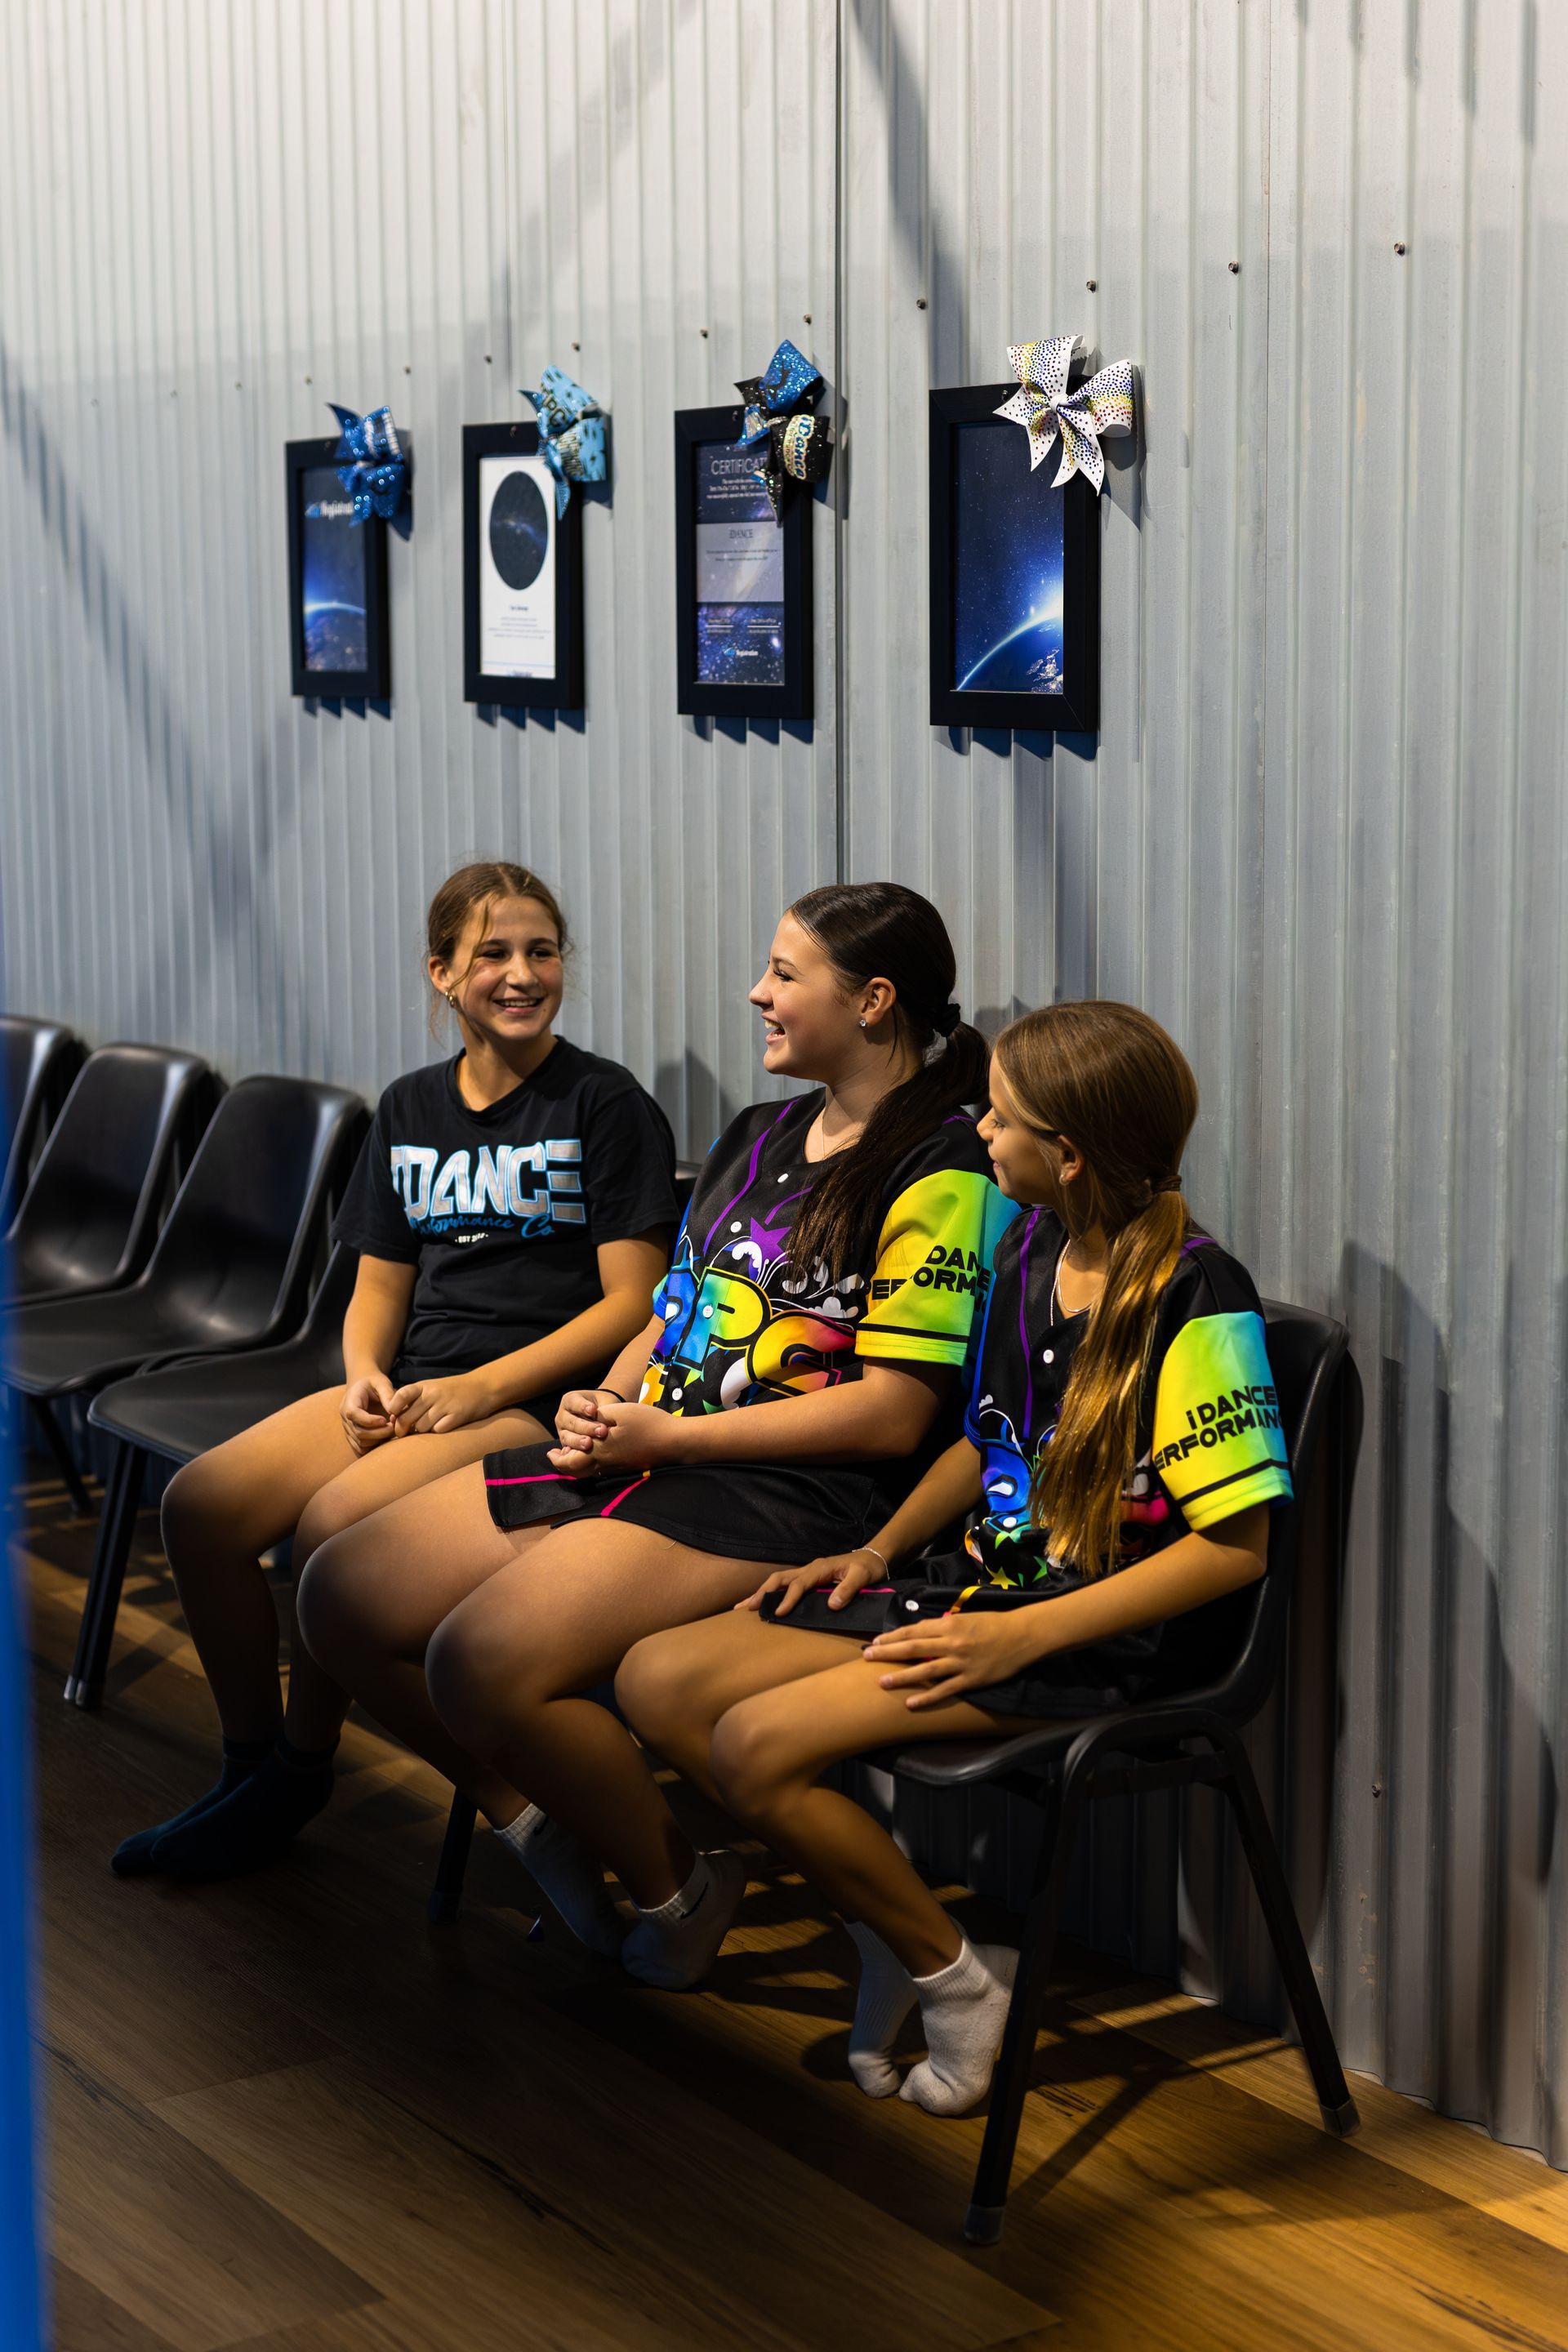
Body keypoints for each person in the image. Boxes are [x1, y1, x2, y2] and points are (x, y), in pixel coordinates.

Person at [296, 882, 1013, 1974]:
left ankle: (671, 1883)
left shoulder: (947, 1167)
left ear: (873, 1002)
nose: (756, 993)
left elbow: (892, 1413)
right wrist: (615, 1397)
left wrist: (667, 1441)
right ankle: (547, 1828)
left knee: (476, 1662)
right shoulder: (758, 1131)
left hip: (788, 1495)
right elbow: (669, 1314)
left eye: (783, 974)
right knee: (338, 1594)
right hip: (655, 1450)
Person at [616, 1000, 1294, 2114]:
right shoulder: (1028, 1243)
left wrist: (1016, 1635)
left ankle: (953, 1973)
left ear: (1066, 1154)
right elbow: (992, 1446)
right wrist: (876, 1548)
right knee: (657, 1679)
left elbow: (1234, 1550)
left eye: (1005, 1118)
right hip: (984, 1586)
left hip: (1102, 1635)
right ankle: (898, 1934)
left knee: (753, 1746)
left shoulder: (1197, 1295)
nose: (979, 1127)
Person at [113, 861, 677, 1882]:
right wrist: (365, 1373)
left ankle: (300, 1763)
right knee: (199, 1506)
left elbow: (631, 1306)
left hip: (531, 1406)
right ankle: (252, 1767)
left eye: (541, 951)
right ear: (442, 974)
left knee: (334, 1524)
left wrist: (486, 1388)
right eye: (493, 953)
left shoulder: (603, 1103)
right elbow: (379, 1285)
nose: (522, 973)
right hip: (416, 1386)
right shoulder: (412, 1105)